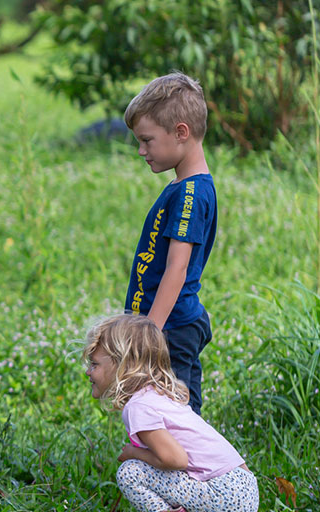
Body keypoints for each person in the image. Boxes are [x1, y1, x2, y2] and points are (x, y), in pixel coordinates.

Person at [84, 314, 257, 512]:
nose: (88, 372)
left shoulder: (139, 406)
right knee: (146, 467)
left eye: (94, 364)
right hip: (241, 489)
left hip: (227, 495)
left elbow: (176, 459)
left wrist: (133, 453)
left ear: (122, 364)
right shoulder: (155, 395)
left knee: (131, 472)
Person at [122, 72, 217, 415]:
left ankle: (195, 467)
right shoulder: (184, 188)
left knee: (175, 415)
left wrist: (150, 333)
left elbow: (177, 268)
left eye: (147, 140)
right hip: (169, 326)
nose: (140, 150)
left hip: (171, 330)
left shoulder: (189, 194)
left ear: (181, 133)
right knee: (173, 408)